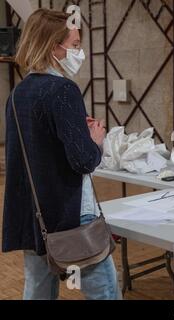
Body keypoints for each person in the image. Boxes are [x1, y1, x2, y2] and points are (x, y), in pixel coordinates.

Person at [2, 9, 121, 300]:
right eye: (76, 44)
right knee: (104, 292)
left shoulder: (18, 94)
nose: (79, 51)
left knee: (38, 292)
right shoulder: (62, 90)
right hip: (70, 214)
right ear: (54, 45)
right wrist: (95, 140)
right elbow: (83, 160)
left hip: (35, 215)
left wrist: (74, 133)